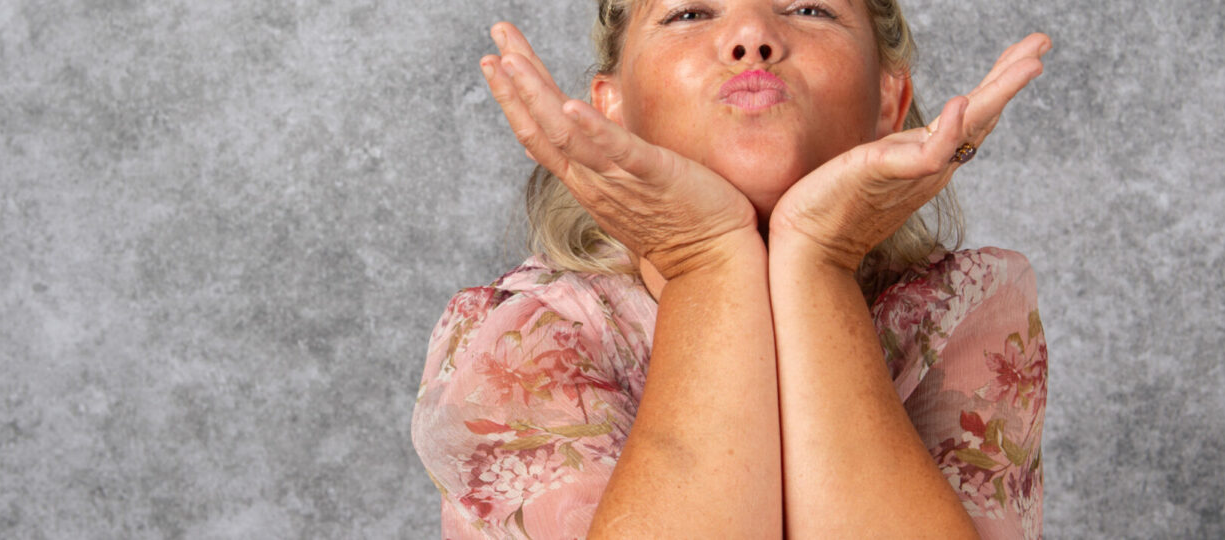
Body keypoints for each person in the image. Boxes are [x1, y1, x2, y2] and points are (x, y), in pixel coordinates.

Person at [411, 0, 1051, 537]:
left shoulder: (962, 310)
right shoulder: (521, 336)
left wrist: (817, 264)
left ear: (890, 100)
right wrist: (706, 264)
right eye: (689, 11)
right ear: (613, 106)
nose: (752, 37)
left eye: (809, 7)